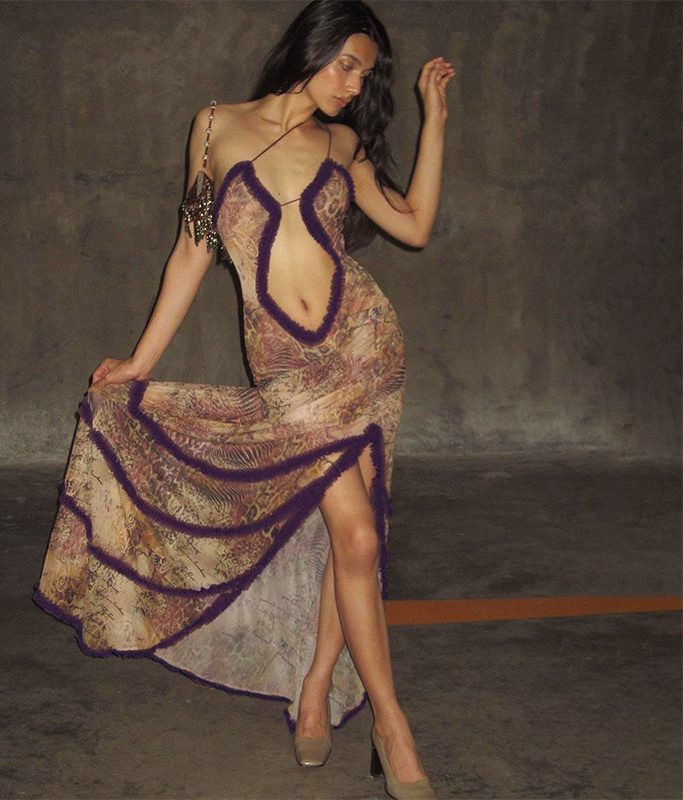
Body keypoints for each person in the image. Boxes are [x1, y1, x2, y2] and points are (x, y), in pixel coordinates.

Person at [33, 1, 454, 798]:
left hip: (363, 348)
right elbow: (193, 250)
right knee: (357, 534)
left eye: (364, 75)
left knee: (356, 539)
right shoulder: (214, 128)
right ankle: (382, 721)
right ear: (314, 46)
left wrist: (434, 119)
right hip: (288, 372)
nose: (351, 84)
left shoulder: (343, 144)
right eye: (346, 64)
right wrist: (140, 361)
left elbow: (415, 225)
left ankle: (332, 695)